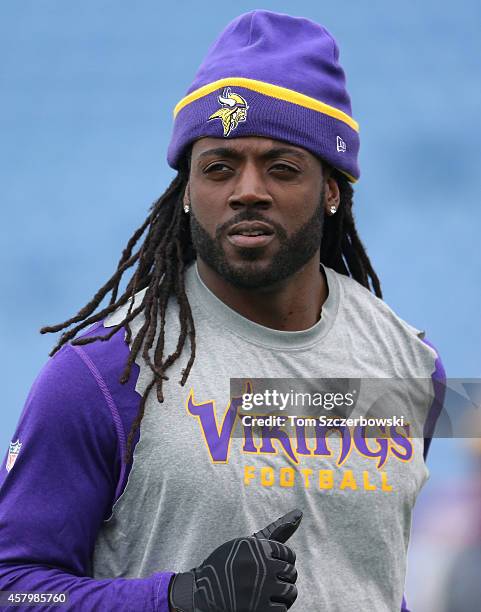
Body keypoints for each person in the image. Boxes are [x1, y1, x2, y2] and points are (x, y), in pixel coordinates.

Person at [0, 10, 445, 612]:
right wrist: (181, 598)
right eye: (219, 167)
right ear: (187, 190)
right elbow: (16, 588)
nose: (248, 190)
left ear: (333, 190)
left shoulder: (410, 368)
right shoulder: (104, 375)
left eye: (282, 167)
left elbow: (373, 580)